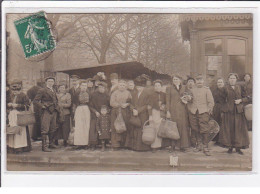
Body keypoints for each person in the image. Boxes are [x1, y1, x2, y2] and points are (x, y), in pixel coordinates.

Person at [218, 73, 250, 155]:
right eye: (230, 78)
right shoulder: (224, 88)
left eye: (234, 78)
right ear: (228, 80)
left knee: (238, 130)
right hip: (228, 112)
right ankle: (230, 147)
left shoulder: (240, 87)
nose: (232, 80)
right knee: (230, 130)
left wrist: (240, 101)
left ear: (236, 79)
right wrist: (226, 107)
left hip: (238, 112)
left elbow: (247, 98)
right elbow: (220, 101)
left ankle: (238, 148)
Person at [187, 74, 214, 156]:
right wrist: (190, 109)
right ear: (196, 82)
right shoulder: (192, 90)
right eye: (197, 80)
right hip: (194, 112)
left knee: (204, 129)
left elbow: (211, 101)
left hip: (203, 112)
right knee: (195, 128)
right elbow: (189, 101)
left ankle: (205, 146)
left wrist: (209, 110)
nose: (199, 82)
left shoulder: (207, 90)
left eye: (200, 80)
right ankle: (199, 145)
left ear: (203, 81)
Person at [34, 76, 59, 152]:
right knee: (45, 129)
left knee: (53, 128)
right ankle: (44, 147)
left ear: (54, 83)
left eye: (52, 81)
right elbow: (35, 101)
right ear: (46, 82)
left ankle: (50, 144)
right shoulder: (42, 90)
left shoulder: (54, 90)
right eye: (49, 81)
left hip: (54, 111)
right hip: (46, 112)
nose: (50, 83)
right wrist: (43, 106)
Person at [166, 75, 190, 152]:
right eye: (174, 79)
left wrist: (186, 99)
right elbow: (167, 100)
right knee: (173, 127)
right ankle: (172, 146)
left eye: (177, 79)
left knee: (183, 127)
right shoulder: (169, 88)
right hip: (173, 110)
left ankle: (182, 146)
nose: (175, 80)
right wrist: (168, 111)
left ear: (180, 80)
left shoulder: (184, 87)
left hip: (182, 110)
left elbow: (188, 96)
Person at [7, 80, 31, 154]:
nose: (15, 92)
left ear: (20, 90)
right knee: (12, 130)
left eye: (17, 91)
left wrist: (17, 105)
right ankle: (11, 146)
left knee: (20, 131)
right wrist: (8, 105)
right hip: (11, 115)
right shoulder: (10, 96)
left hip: (20, 116)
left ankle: (20, 146)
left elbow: (27, 106)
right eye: (13, 91)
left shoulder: (24, 96)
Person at [128, 76, 151, 151]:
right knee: (135, 130)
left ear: (143, 86)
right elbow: (130, 103)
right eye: (137, 87)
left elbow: (147, 105)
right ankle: (135, 146)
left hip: (143, 114)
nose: (138, 88)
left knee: (142, 130)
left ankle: (143, 147)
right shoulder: (134, 93)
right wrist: (133, 109)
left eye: (140, 87)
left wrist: (138, 111)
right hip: (135, 114)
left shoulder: (147, 93)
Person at [110, 79, 132, 150]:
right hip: (115, 112)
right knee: (115, 127)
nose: (122, 86)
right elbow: (111, 103)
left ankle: (124, 144)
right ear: (118, 86)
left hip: (125, 111)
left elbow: (131, 101)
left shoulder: (128, 93)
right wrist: (120, 105)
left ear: (125, 86)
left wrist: (127, 104)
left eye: (123, 85)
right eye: (120, 85)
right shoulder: (114, 93)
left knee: (124, 126)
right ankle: (116, 145)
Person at [89, 81, 110, 150]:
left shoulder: (107, 95)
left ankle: (103, 144)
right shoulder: (94, 95)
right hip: (95, 114)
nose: (101, 89)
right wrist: (95, 112)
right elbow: (90, 106)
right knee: (94, 128)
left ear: (105, 88)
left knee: (104, 127)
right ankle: (93, 144)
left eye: (103, 87)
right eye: (100, 87)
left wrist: (105, 112)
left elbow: (109, 106)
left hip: (104, 114)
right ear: (98, 88)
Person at [147, 79, 166, 153]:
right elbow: (149, 106)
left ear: (161, 86)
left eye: (159, 85)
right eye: (156, 86)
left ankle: (161, 145)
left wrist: (164, 106)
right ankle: (154, 146)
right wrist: (150, 115)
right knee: (154, 128)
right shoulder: (151, 95)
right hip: (154, 112)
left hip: (161, 113)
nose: (157, 87)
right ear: (154, 87)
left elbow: (166, 102)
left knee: (160, 128)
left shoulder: (164, 94)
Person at [73, 80, 91, 149]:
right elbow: (74, 102)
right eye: (82, 85)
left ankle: (86, 143)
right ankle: (79, 143)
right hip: (79, 109)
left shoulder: (89, 93)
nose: (84, 87)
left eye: (85, 86)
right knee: (79, 126)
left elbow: (90, 102)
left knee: (86, 125)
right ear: (80, 86)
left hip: (86, 109)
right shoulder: (77, 93)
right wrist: (74, 112)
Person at [55, 83, 72, 147]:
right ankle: (56, 140)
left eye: (63, 87)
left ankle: (65, 141)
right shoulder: (55, 94)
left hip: (65, 113)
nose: (62, 89)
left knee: (65, 127)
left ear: (65, 89)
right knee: (57, 127)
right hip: (57, 113)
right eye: (61, 87)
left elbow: (69, 104)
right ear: (58, 88)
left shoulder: (68, 95)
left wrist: (61, 105)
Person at [212, 78, 227, 142]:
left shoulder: (226, 90)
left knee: (223, 123)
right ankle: (217, 139)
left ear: (223, 83)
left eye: (221, 82)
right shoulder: (214, 91)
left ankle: (223, 140)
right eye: (218, 82)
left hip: (224, 107)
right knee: (217, 123)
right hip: (216, 108)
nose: (219, 83)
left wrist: (225, 109)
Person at [124, 79, 138, 149]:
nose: (131, 86)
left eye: (132, 85)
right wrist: (132, 108)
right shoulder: (126, 92)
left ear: (134, 85)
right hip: (128, 111)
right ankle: (129, 145)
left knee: (135, 128)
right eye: (129, 85)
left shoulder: (137, 91)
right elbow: (128, 102)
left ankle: (134, 144)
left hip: (136, 111)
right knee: (129, 128)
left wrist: (136, 109)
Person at [185, 76, 196, 148]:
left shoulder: (196, 90)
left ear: (194, 83)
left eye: (192, 81)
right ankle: (186, 142)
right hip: (185, 111)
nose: (190, 83)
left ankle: (193, 142)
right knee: (185, 127)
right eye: (189, 82)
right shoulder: (184, 90)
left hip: (194, 111)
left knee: (193, 127)